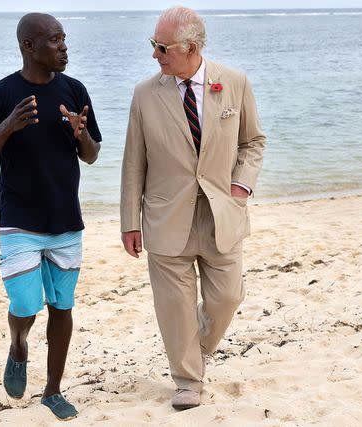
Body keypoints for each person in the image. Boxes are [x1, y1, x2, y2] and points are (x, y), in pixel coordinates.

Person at [120, 6, 266, 410]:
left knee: (227, 297)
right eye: (153, 45)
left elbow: (253, 141)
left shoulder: (234, 83)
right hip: (166, 218)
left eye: (161, 47)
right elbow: (134, 163)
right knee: (175, 307)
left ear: (191, 47)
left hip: (223, 214)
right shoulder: (144, 95)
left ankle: (195, 349)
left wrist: (241, 186)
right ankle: (187, 379)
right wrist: (129, 222)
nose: (154, 54)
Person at [0, 13, 101, 421]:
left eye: (64, 39)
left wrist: (81, 133)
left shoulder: (74, 90)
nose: (64, 46)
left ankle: (53, 391)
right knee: (25, 304)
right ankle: (18, 346)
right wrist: (7, 127)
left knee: (62, 307)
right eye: (54, 40)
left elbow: (91, 155)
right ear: (29, 46)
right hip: (19, 221)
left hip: (66, 221)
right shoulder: (1, 95)